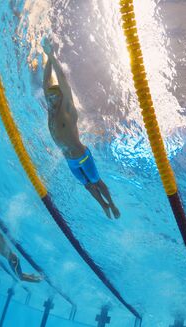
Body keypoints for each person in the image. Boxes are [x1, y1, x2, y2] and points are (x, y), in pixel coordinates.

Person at [42, 38, 120, 219]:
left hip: (82, 156)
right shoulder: (52, 109)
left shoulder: (67, 108)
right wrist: (46, 58)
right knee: (87, 185)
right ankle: (103, 206)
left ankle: (112, 204)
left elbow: (62, 80)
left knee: (96, 181)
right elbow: (46, 82)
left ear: (60, 97)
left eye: (53, 97)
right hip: (70, 160)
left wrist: (52, 56)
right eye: (49, 97)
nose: (50, 100)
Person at [0, 208, 42, 283]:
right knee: (19, 274)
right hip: (10, 260)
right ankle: (32, 276)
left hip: (13, 259)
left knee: (20, 278)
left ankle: (37, 281)